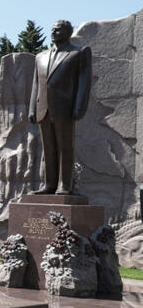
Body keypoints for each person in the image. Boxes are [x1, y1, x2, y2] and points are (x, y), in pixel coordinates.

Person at [28, 19, 92, 195]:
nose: (53, 32)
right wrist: (32, 108)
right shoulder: (40, 56)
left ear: (68, 32)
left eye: (58, 30)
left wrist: (79, 107)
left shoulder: (79, 52)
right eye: (52, 29)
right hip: (43, 109)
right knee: (48, 148)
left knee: (65, 147)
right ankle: (49, 184)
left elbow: (84, 82)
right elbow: (36, 84)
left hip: (65, 107)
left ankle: (65, 185)